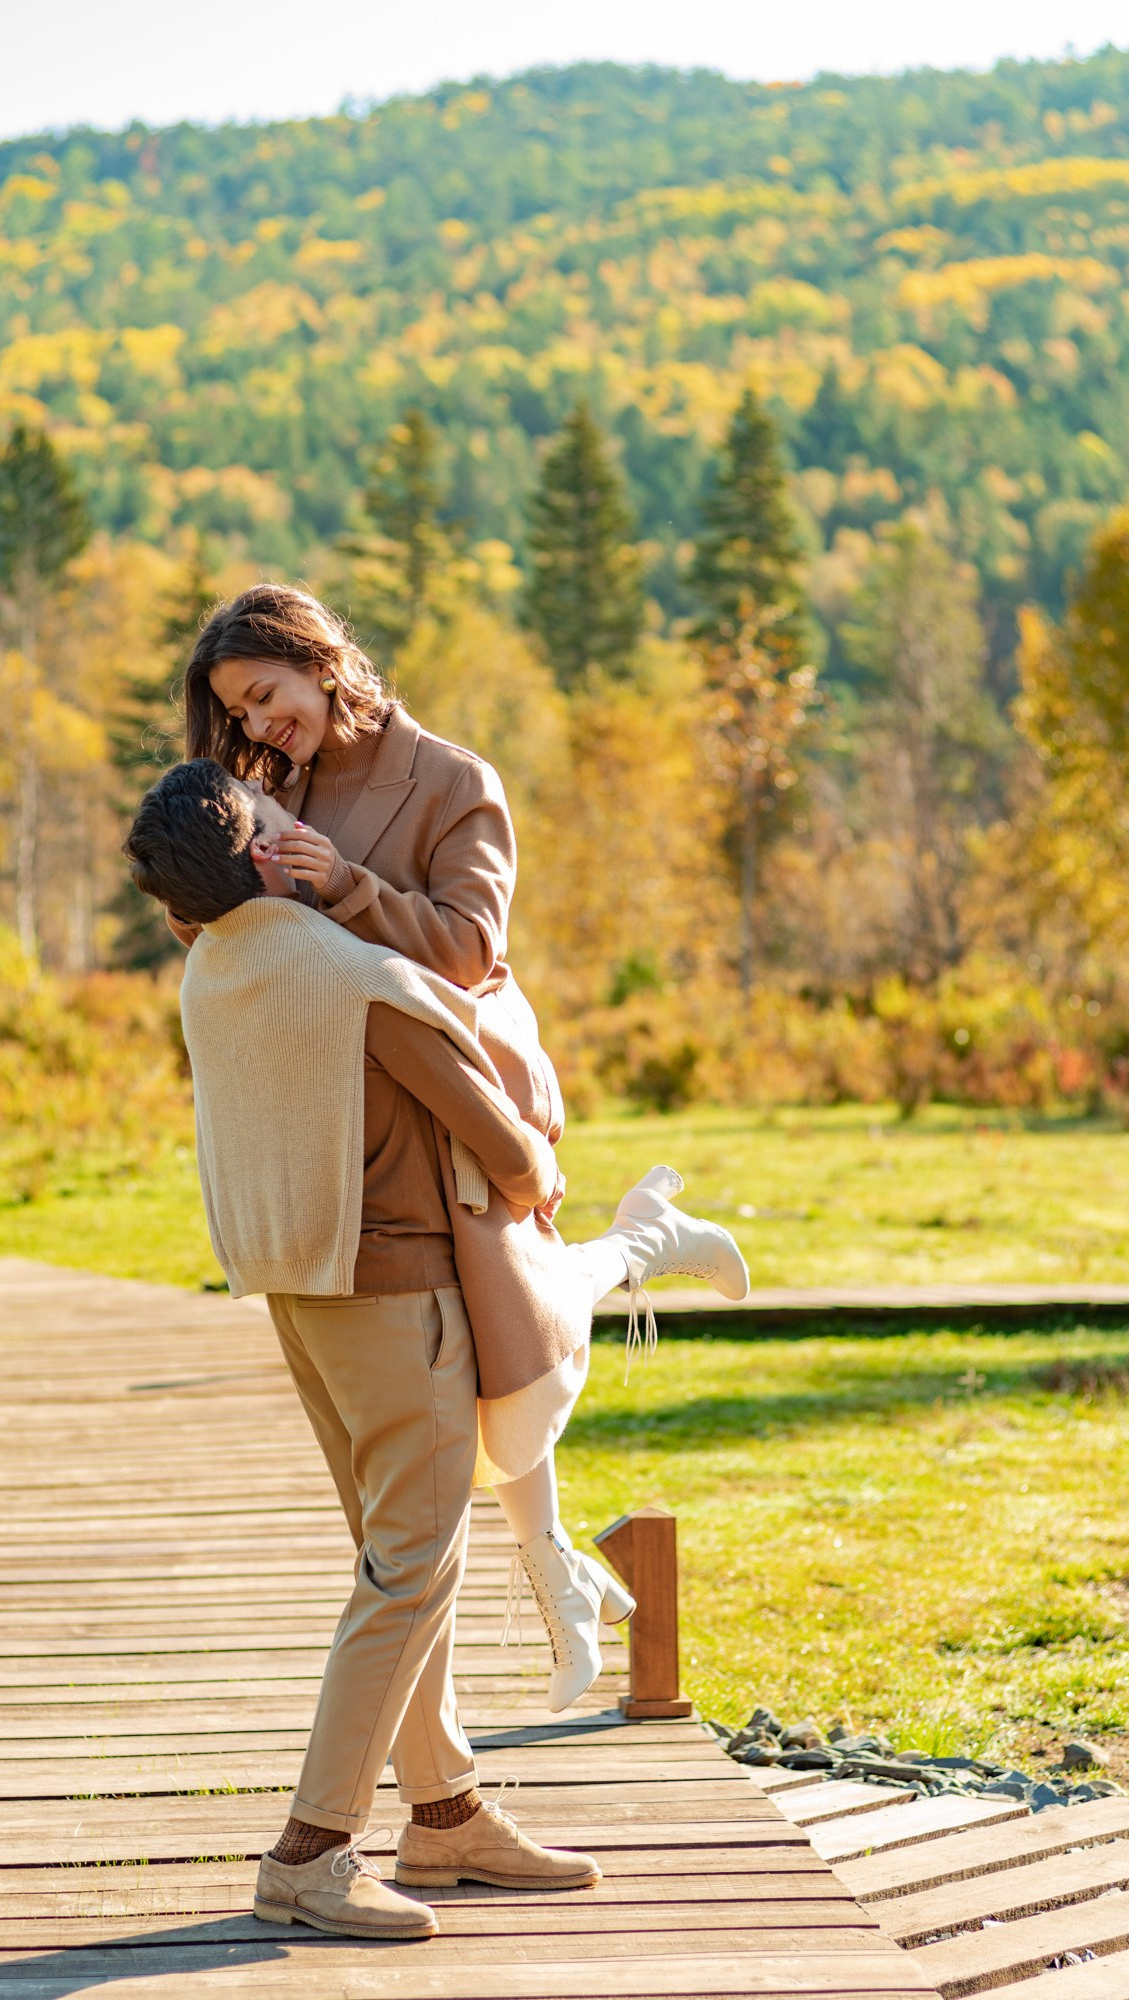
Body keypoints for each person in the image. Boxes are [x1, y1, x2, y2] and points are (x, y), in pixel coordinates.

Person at [124, 757, 748, 1942]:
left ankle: (449, 1812)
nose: (296, 825)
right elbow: (510, 1152)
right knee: (409, 1570)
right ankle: (309, 1852)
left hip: (298, 1297)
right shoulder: (356, 977)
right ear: (262, 854)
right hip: (399, 1293)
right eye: (276, 822)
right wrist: (547, 1175)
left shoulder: (213, 968)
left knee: (399, 1563)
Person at [179, 582, 749, 1705]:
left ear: (319, 658)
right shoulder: (270, 784)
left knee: (512, 1357)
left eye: (263, 696)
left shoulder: (454, 781)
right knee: (487, 1376)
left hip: (460, 1089)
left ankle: (644, 1242)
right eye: (237, 715)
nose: (254, 727)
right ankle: (558, 1575)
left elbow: (470, 949)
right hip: (350, 1132)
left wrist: (339, 881)